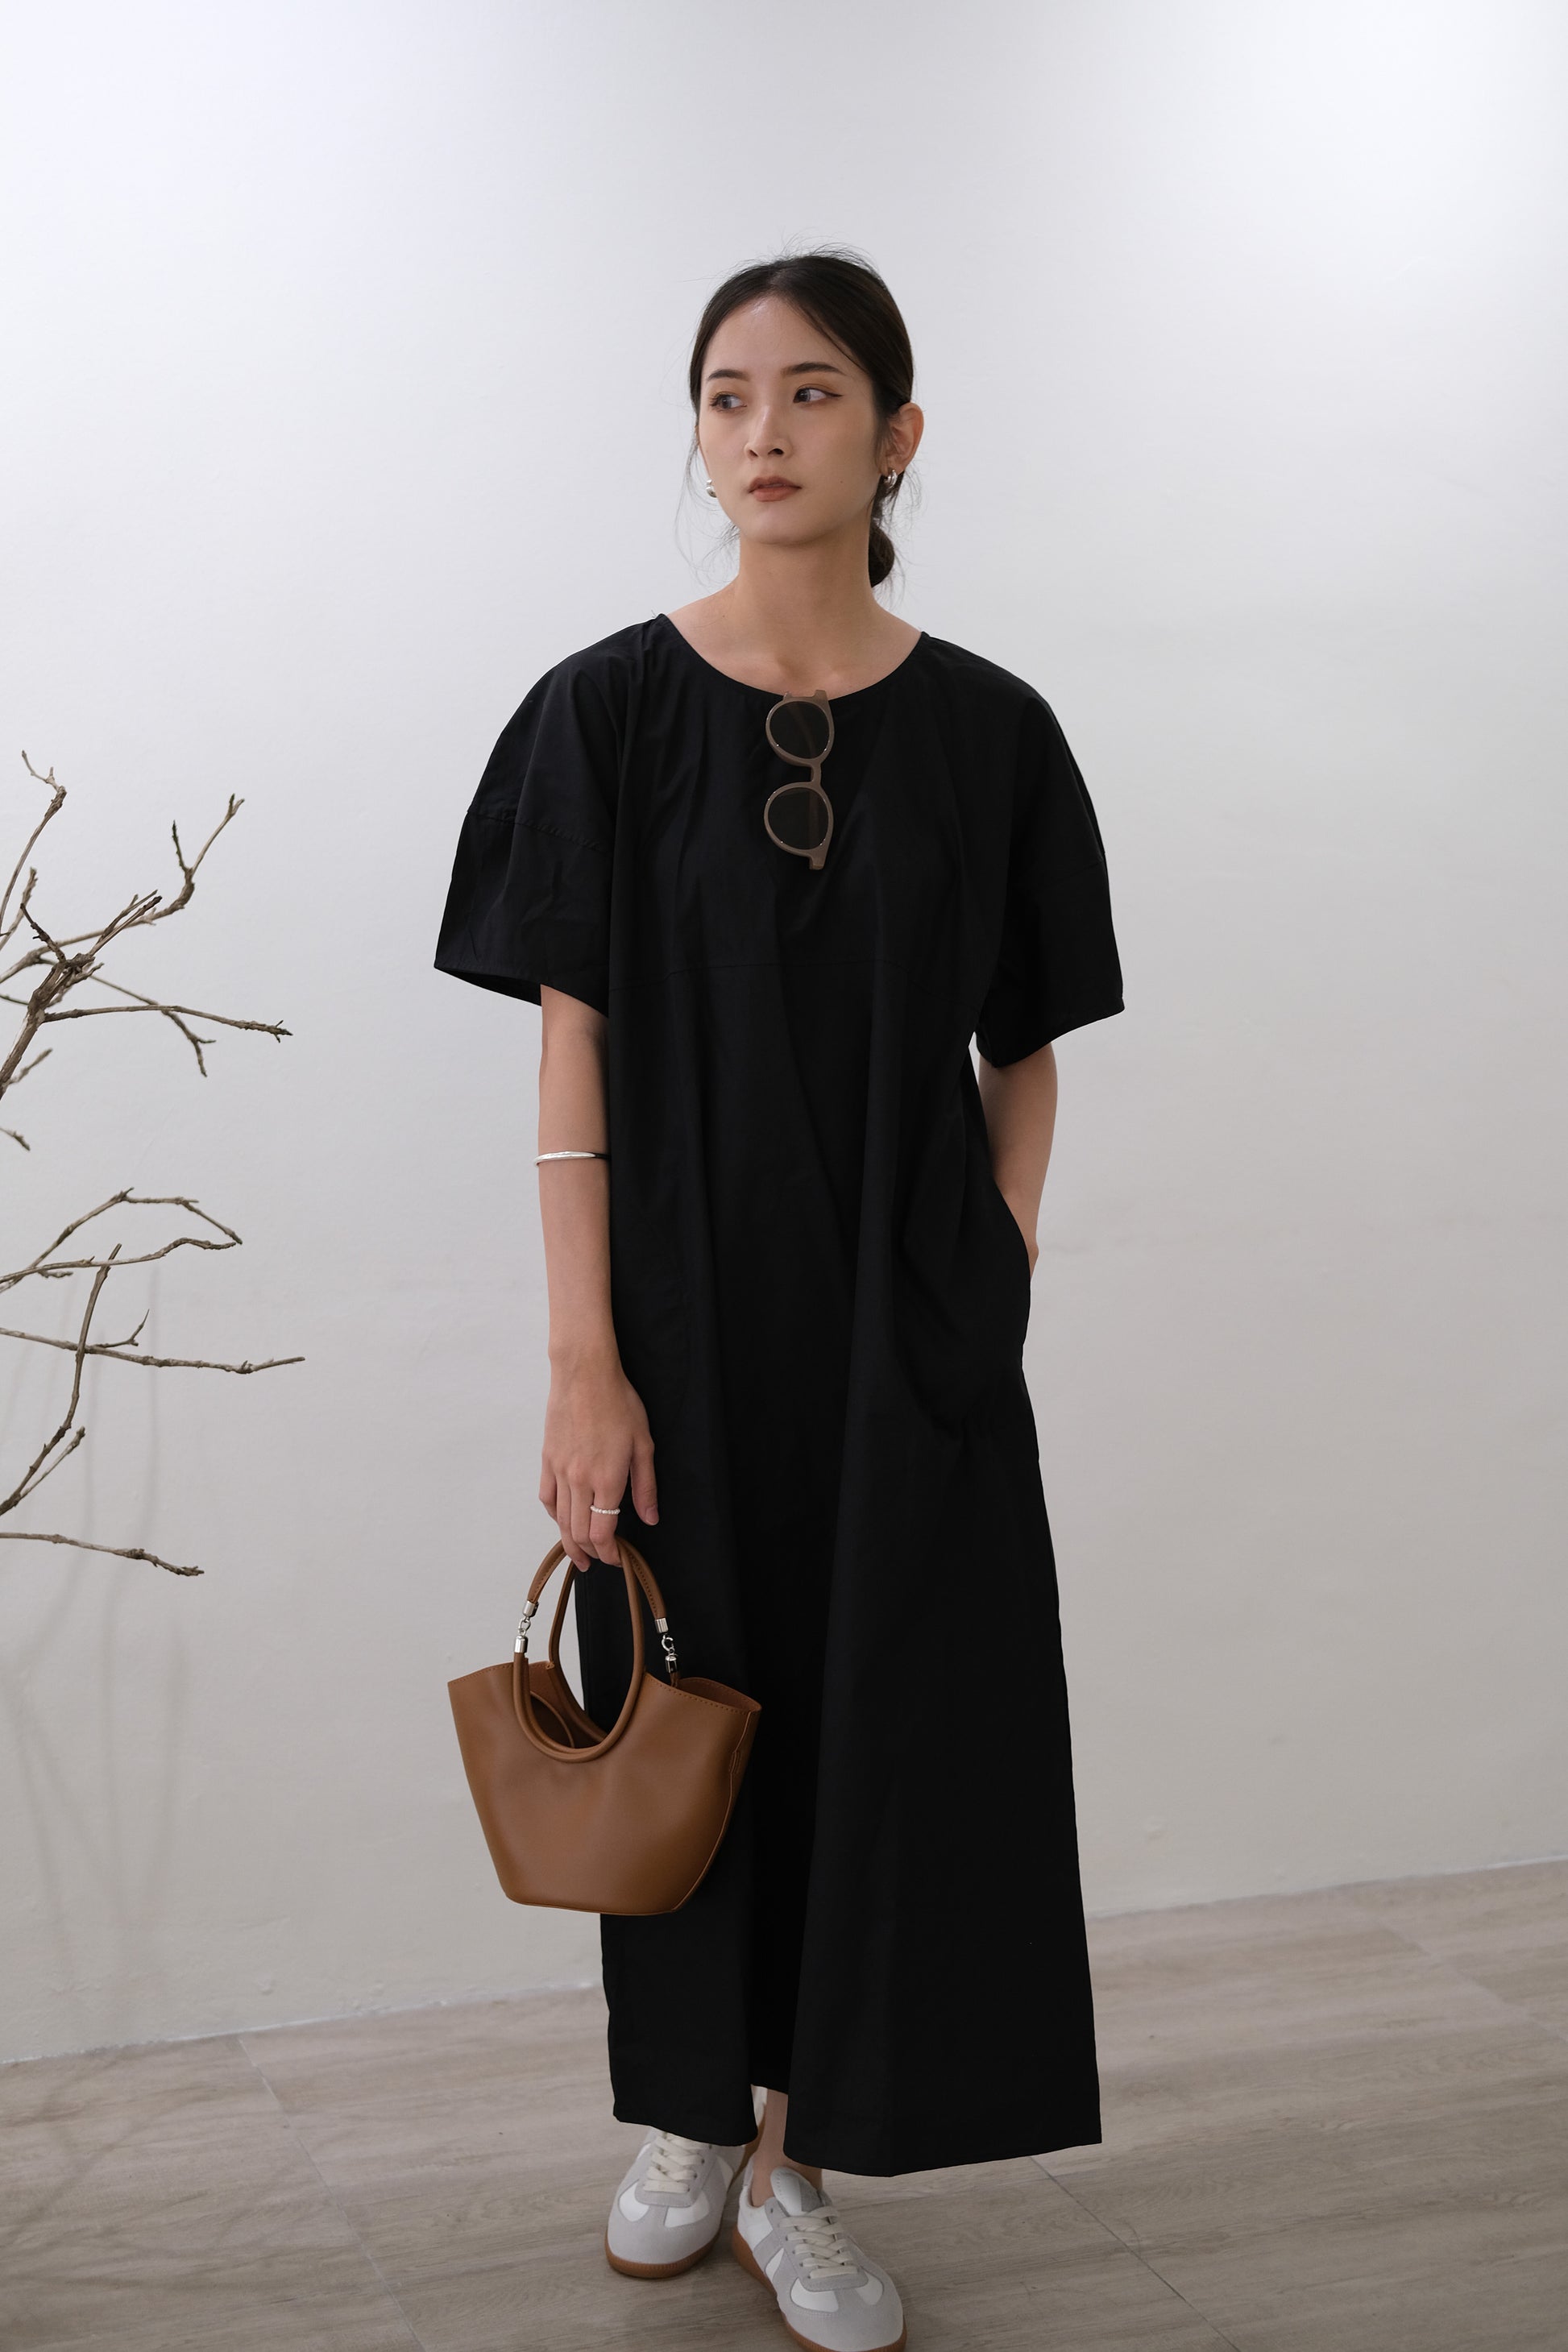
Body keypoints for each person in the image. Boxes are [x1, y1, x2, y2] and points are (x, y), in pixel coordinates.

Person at [434, 246, 1124, 2352]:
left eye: (813, 393)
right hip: (677, 1322)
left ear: (896, 435)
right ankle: (683, 2117)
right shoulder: (604, 713)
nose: (763, 432)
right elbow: (573, 1048)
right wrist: (584, 1356)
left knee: (886, 1729)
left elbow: (1026, 1045)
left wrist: (992, 1266)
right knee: (680, 1711)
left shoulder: (992, 732)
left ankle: (795, 2160)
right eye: (728, 395)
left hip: (909, 1335)